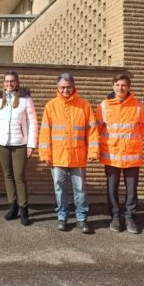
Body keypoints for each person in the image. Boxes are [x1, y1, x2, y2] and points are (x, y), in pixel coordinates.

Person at [39, 72, 99, 233]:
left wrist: (93, 151)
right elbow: (45, 132)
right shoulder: (51, 106)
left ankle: (81, 219)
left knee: (80, 189)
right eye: (62, 87)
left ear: (74, 87)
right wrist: (44, 154)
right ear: (57, 88)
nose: (65, 90)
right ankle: (62, 217)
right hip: (57, 156)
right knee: (59, 189)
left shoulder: (84, 105)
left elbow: (92, 130)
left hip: (78, 156)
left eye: (68, 87)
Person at [97, 74, 144, 234]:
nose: (120, 88)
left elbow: (143, 128)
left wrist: (131, 143)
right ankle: (115, 216)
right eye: (118, 85)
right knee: (112, 188)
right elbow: (98, 128)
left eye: (124, 85)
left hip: (132, 155)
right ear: (113, 86)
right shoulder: (103, 106)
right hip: (111, 155)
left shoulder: (138, 106)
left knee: (131, 189)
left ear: (129, 87)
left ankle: (130, 217)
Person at [0, 71, 38, 225]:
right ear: (3, 83)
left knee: (19, 176)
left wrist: (31, 144)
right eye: (6, 81)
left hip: (20, 143)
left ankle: (24, 210)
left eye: (12, 81)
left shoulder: (26, 99)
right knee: (8, 175)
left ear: (17, 83)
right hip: (1, 143)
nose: (9, 84)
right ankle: (13, 207)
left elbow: (32, 123)